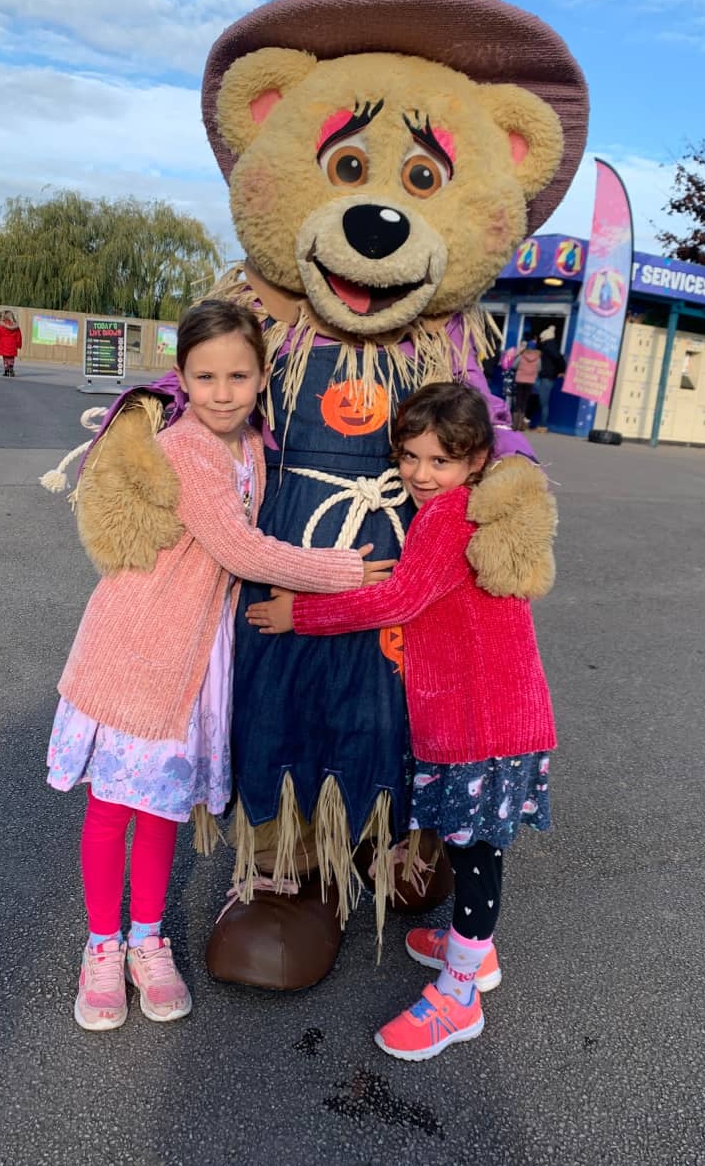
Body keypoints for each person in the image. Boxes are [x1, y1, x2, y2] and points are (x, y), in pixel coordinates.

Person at [48, 301, 394, 1032]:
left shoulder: (249, 446)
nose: (223, 390)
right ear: (183, 377)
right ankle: (102, 946)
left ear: (262, 375)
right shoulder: (189, 448)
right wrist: (343, 572)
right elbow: (242, 550)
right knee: (113, 806)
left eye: (239, 374)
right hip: (139, 646)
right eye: (205, 376)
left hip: (194, 656)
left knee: (164, 805)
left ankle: (148, 937)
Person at [246, 382, 556, 1062]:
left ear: (475, 460)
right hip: (487, 713)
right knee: (473, 844)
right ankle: (474, 950)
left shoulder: (446, 518)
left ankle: (460, 993)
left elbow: (397, 598)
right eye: (409, 456)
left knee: (476, 854)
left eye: (439, 460)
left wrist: (301, 612)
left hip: (483, 724)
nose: (419, 473)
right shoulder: (462, 506)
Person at [535, 326, 566, 432]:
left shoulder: (548, 348)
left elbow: (558, 358)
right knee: (542, 401)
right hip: (549, 376)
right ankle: (540, 425)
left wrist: (562, 370)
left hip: (547, 377)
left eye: (542, 338)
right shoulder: (552, 347)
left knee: (543, 402)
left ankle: (542, 425)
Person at [507, 340, 541, 430]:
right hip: (530, 381)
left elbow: (514, 365)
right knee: (524, 402)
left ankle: (515, 425)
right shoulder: (538, 358)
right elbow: (539, 369)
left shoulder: (522, 356)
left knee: (518, 402)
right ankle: (520, 425)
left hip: (520, 380)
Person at [0, 310, 22, 375]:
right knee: (11, 358)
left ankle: (6, 370)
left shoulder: (1, 326)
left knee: (5, 358)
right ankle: (11, 368)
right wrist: (19, 345)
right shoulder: (16, 326)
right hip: (13, 344)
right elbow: (19, 336)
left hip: (3, 344)